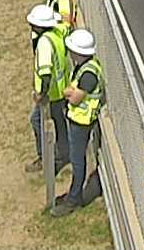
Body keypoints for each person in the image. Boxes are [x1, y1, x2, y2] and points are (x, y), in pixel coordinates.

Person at [50, 28, 105, 216]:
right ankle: (72, 196)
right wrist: (70, 92)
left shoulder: (88, 75)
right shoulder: (86, 67)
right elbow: (71, 90)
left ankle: (73, 200)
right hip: (78, 121)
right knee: (77, 160)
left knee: (77, 161)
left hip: (81, 123)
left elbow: (74, 98)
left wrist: (69, 93)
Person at [24, 4, 70, 174]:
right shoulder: (57, 34)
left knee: (37, 121)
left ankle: (46, 158)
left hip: (51, 94)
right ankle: (63, 154)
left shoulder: (44, 43)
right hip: (61, 90)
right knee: (60, 124)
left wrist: (41, 94)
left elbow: (45, 74)